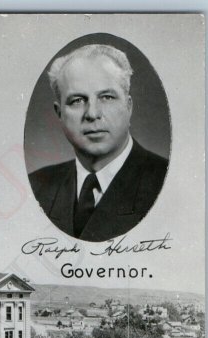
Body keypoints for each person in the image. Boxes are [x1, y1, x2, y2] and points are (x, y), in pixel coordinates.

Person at [29, 44, 168, 242]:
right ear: (59, 113)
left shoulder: (166, 182)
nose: (92, 114)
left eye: (107, 97)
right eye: (77, 100)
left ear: (128, 106)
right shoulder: (36, 187)